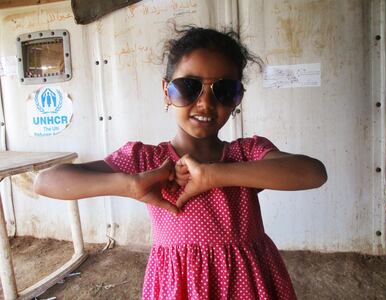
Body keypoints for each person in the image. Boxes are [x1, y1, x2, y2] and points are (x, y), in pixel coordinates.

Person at [34, 25, 327, 300]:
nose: (205, 103)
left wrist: (215, 176)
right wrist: (128, 185)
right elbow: (46, 182)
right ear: (166, 90)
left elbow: (313, 173)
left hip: (249, 283)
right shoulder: (148, 160)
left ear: (238, 99)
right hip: (179, 285)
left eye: (224, 90)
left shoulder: (246, 154)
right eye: (189, 87)